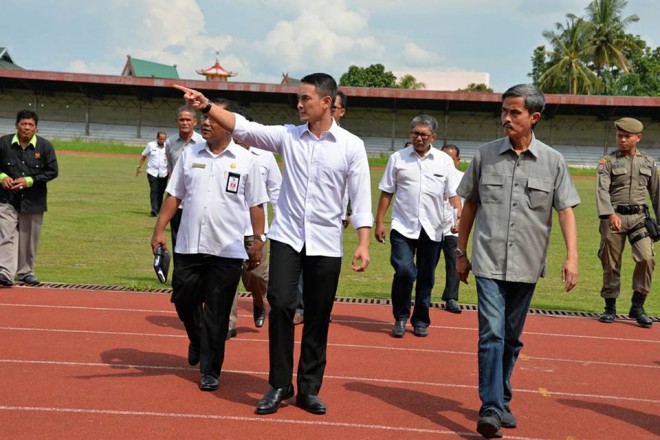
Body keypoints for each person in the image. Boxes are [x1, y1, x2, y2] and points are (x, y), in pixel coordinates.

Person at [174, 72, 373, 416]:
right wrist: (206, 105)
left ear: (327, 102)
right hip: (287, 237)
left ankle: (308, 388)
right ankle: (280, 384)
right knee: (280, 304)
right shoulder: (288, 137)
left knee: (317, 316)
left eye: (305, 99)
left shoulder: (351, 146)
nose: (298, 104)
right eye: (297, 98)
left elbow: (361, 197)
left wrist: (363, 242)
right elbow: (245, 128)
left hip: (326, 243)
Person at [456, 84, 579, 438]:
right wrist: (461, 253)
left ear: (534, 118)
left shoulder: (553, 161)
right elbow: (470, 205)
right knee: (491, 333)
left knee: (511, 337)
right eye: (504, 111)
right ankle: (491, 407)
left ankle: (502, 398)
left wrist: (572, 257)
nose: (506, 118)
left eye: (515, 113)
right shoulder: (485, 155)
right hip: (489, 261)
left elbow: (566, 211)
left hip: (527, 263)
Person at [150, 100, 268, 392]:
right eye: (204, 117)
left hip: (227, 250)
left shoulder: (246, 160)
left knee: (217, 311)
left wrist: (258, 240)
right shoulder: (190, 154)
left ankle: (210, 369)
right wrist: (159, 230)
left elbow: (256, 204)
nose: (205, 122)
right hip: (189, 245)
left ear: (229, 123)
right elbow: (173, 195)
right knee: (184, 299)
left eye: (213, 118)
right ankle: (197, 337)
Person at [375, 115, 462, 338]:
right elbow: (387, 191)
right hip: (403, 226)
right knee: (404, 270)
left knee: (426, 277)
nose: (419, 138)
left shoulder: (443, 161)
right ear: (410, 133)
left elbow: (453, 194)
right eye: (415, 133)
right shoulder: (398, 158)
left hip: (433, 228)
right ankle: (401, 317)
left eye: (424, 134)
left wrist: (458, 218)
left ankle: (421, 320)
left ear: (433, 136)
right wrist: (379, 222)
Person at [293, 90, 349, 326]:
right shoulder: (297, 138)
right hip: (299, 218)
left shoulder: (348, 144)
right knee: (298, 263)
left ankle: (318, 305)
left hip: (330, 218)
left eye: (335, 108)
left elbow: (347, 184)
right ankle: (299, 306)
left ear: (340, 111)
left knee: (321, 267)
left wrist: (346, 211)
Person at [596, 117, 657, 328]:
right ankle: (610, 307)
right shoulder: (608, 162)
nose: (622, 140)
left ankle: (637, 306)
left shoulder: (649, 162)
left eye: (627, 136)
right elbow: (602, 190)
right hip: (614, 217)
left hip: (640, 218)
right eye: (619, 136)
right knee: (611, 262)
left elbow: (656, 193)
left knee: (646, 258)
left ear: (637, 138)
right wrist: (609, 214)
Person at [228, 113, 282, 338]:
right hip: (228, 227)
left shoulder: (265, 156)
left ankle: (259, 302)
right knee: (228, 277)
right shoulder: (224, 152)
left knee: (257, 276)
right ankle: (228, 323)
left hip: (255, 230)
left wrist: (279, 222)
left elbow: (276, 189)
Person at [0, 109, 59, 287]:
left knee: (29, 239)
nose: (27, 128)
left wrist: (30, 180)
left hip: (34, 201)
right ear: (16, 125)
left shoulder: (45, 146)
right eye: (23, 124)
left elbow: (52, 171)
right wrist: (2, 177)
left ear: (36, 127)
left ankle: (25, 272)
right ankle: (4, 272)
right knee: (5, 235)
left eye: (30, 125)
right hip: (6, 199)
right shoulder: (3, 143)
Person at [164, 105, 203, 249]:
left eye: (188, 120)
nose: (185, 123)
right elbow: (170, 169)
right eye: (182, 120)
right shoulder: (170, 142)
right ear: (176, 122)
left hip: (198, 201)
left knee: (198, 241)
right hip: (177, 203)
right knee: (177, 241)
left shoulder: (203, 143)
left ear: (195, 122)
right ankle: (179, 272)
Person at [439, 144, 463, 314]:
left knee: (454, 263)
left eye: (451, 159)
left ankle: (451, 297)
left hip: (453, 228)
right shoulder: (432, 175)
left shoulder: (463, 178)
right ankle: (420, 295)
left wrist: (461, 222)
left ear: (458, 160)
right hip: (430, 227)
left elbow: (468, 203)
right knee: (425, 263)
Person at [136, 131, 168, 217]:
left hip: (164, 172)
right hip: (152, 172)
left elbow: (171, 158)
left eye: (164, 139)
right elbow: (144, 156)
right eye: (161, 139)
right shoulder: (151, 145)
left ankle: (158, 209)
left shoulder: (168, 146)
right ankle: (154, 209)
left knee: (161, 192)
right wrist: (139, 166)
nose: (162, 141)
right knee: (154, 190)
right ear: (157, 138)